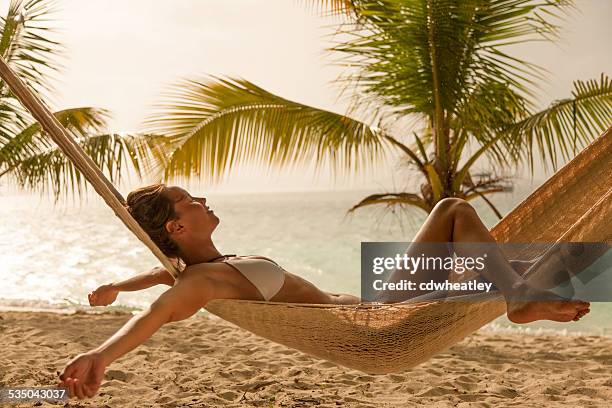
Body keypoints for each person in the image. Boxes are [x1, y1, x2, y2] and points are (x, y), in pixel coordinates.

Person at [58, 184, 590, 400]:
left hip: (376, 307)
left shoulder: (206, 268)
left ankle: (519, 292)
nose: (200, 198)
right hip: (380, 327)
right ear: (177, 228)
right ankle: (518, 301)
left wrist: (112, 285)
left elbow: (159, 279)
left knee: (498, 246)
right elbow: (156, 313)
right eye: (188, 200)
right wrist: (101, 355)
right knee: (455, 213)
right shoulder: (200, 282)